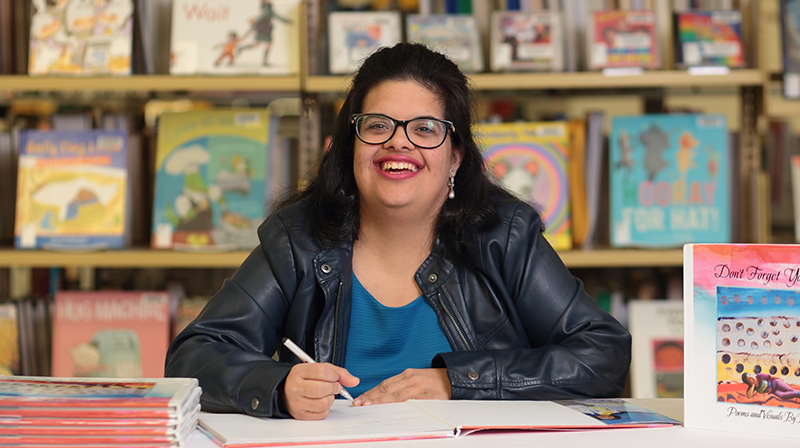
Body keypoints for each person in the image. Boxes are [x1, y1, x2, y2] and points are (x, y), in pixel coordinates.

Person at [165, 43, 631, 421]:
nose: (398, 141)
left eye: (425, 128)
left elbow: (602, 353)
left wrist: (458, 383)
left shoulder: (502, 234)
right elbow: (193, 356)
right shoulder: (298, 239)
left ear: (455, 157)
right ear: (351, 148)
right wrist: (277, 387)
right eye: (378, 125)